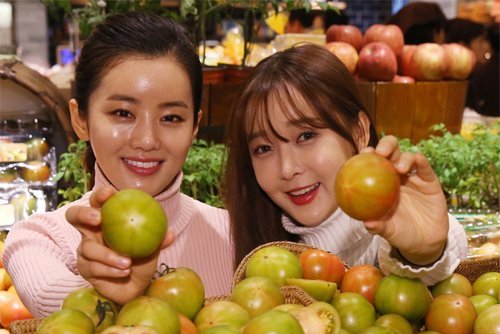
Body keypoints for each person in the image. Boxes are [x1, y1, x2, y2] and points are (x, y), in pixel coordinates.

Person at [3, 13, 234, 318]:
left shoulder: (235, 234)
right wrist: (105, 291)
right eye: (123, 113)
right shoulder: (40, 239)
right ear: (80, 119)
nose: (147, 140)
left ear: (194, 126)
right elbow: (53, 303)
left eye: (171, 117)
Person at [222, 43, 468, 286]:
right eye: (264, 148)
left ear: (359, 133)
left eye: (306, 136)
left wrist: (423, 254)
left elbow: (440, 248)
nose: (287, 169)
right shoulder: (251, 250)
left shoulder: (387, 241)